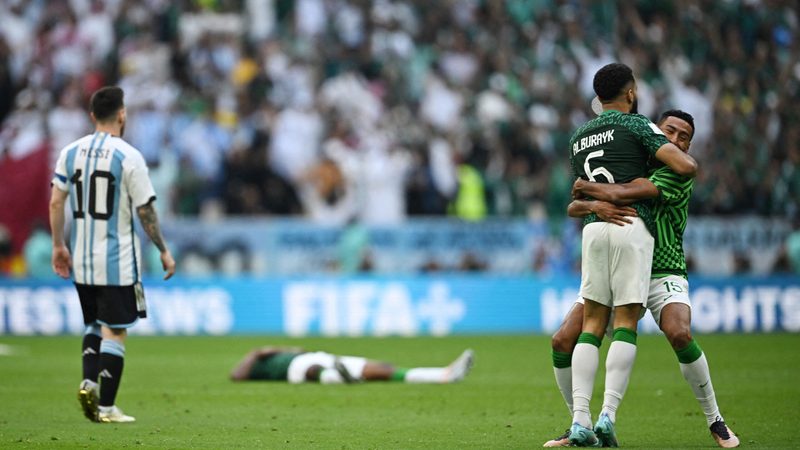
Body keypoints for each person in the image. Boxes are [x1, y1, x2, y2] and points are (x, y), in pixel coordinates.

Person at [544, 110, 739, 448]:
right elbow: (573, 208)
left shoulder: (677, 172)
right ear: (656, 133)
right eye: (670, 132)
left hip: (662, 267)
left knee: (680, 333)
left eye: (684, 138)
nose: (676, 141)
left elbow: (623, 194)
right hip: (618, 264)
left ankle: (715, 419)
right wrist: (596, 206)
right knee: (562, 339)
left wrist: (592, 191)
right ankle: (580, 421)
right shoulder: (634, 161)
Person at [566, 63, 698, 447]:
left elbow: (578, 198)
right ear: (630, 93)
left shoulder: (578, 136)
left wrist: (596, 201)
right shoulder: (637, 125)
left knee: (591, 325)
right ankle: (607, 415)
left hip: (592, 230)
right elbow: (685, 165)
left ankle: (579, 421)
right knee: (625, 323)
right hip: (631, 226)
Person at [49, 86, 176, 424]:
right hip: (117, 261)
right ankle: (105, 408)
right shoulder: (128, 156)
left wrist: (58, 245)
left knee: (93, 323)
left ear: (92, 116)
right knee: (115, 330)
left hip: (82, 260)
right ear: (122, 114)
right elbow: (145, 210)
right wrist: (163, 250)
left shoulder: (70, 152)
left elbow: (56, 201)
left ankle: (89, 382)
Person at [230, 346, 474, 385]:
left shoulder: (281, 352)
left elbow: (301, 349)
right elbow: (236, 376)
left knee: (384, 368)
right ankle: (335, 377)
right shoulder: (258, 363)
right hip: (296, 367)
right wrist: (255, 353)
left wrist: (287, 348)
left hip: (322, 355)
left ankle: (444, 375)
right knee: (313, 371)